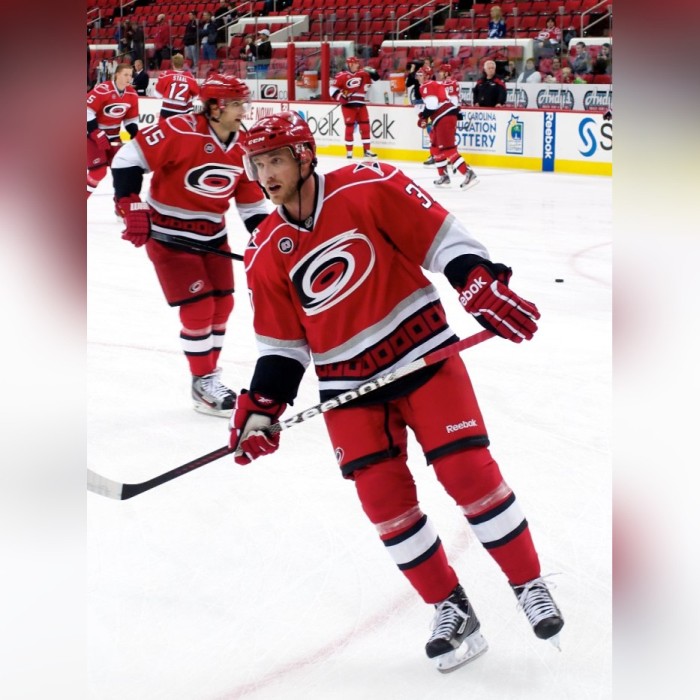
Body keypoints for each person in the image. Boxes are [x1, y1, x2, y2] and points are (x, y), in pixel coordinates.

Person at [231, 110, 564, 673]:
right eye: (258, 164)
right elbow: (282, 346)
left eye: (276, 160)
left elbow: (443, 240)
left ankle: (529, 584)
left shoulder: (369, 185)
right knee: (385, 506)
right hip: (348, 390)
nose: (267, 175)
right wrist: (262, 408)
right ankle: (451, 607)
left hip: (422, 357)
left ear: (305, 156)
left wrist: (476, 280)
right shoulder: (264, 249)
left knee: (469, 475)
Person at [110, 74, 270, 417]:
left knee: (223, 305)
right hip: (169, 236)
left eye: (243, 103)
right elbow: (126, 158)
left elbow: (251, 203)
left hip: (213, 235)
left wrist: (267, 239)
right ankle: (203, 381)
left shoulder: (243, 145)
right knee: (198, 308)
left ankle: (208, 377)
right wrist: (129, 202)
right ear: (215, 107)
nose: (244, 110)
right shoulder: (179, 129)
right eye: (236, 104)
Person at [417, 64, 478, 190]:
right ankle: (444, 176)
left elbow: (432, 105)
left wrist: (423, 116)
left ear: (427, 76)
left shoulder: (426, 85)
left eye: (421, 74)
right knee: (435, 148)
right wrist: (425, 116)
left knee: (448, 149)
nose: (418, 77)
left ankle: (468, 173)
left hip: (443, 117)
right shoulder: (436, 84)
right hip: (443, 117)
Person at [87, 63, 139, 199]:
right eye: (125, 74)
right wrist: (95, 132)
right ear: (117, 75)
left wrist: (136, 135)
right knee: (98, 172)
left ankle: (122, 204)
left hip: (114, 136)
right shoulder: (103, 90)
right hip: (92, 136)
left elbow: (130, 120)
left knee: (122, 170)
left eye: (130, 75)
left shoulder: (132, 94)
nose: (129, 78)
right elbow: (87, 110)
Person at [329, 55, 380, 159]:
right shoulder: (341, 76)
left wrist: (373, 72)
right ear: (350, 64)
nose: (357, 65)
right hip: (348, 106)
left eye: (357, 63)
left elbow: (376, 79)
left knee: (365, 127)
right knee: (349, 128)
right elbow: (332, 89)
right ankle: (349, 152)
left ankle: (367, 150)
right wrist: (340, 97)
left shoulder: (363, 74)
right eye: (355, 63)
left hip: (361, 104)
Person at [153, 53, 200, 120]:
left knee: (164, 126)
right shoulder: (190, 77)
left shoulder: (166, 74)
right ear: (183, 64)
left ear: (172, 64)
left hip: (166, 110)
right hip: (182, 111)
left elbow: (157, 95)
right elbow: (196, 96)